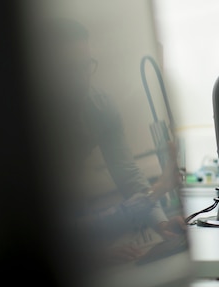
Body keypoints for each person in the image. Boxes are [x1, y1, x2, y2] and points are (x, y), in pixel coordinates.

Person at [34, 17, 183, 266]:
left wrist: (162, 223)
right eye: (69, 69)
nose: (81, 78)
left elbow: (127, 175)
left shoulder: (99, 106)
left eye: (85, 66)